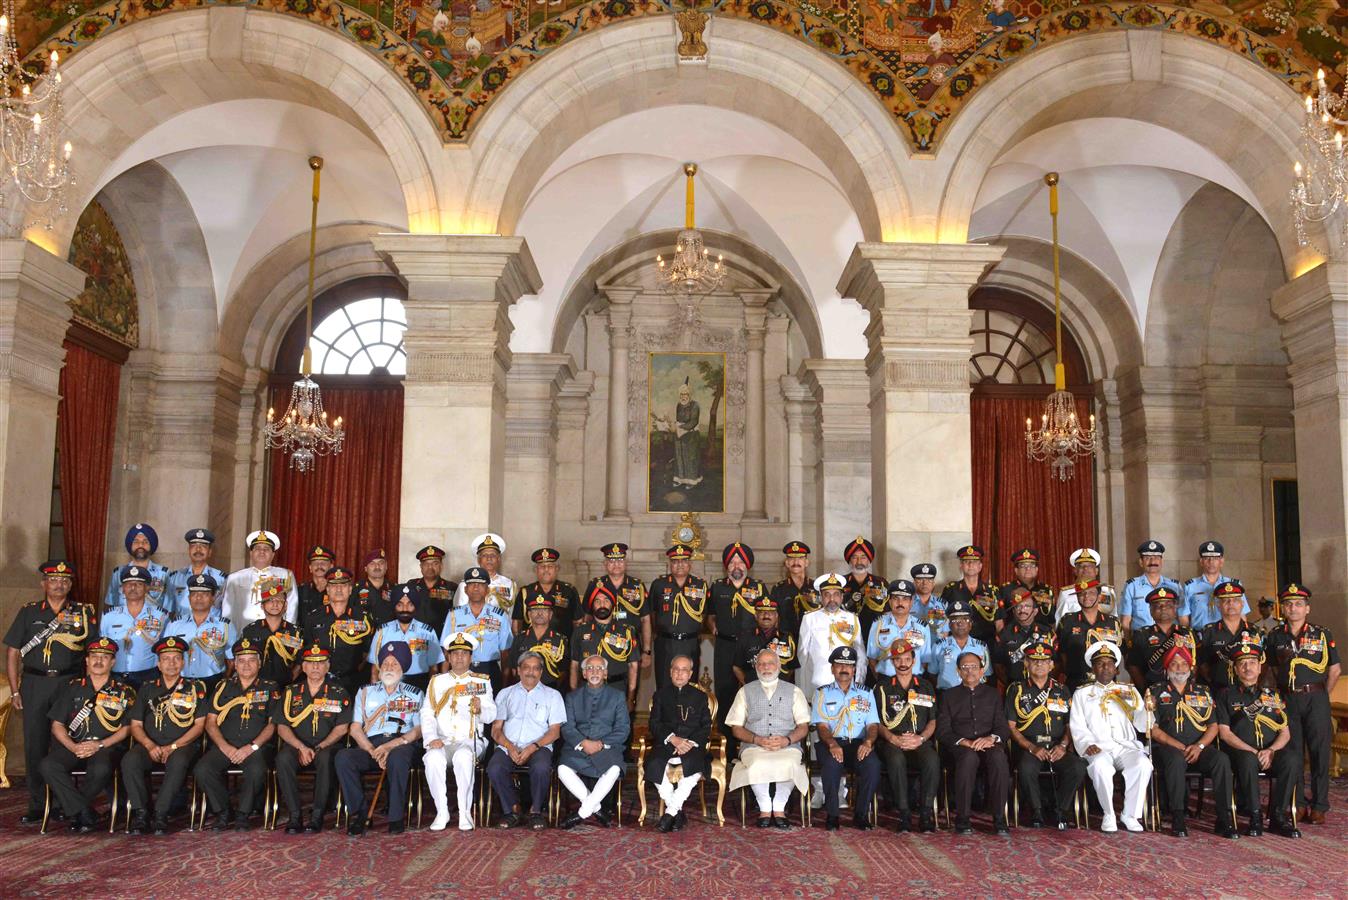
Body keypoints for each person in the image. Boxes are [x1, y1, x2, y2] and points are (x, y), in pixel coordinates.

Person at [5, 560, 97, 825]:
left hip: (68, 685)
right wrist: (14, 690)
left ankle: (62, 801)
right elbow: (13, 652)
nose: (59, 584)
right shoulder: (29, 612)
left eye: (65, 580)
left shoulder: (82, 612)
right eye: (54, 580)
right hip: (34, 684)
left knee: (63, 745)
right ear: (43, 583)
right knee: (34, 745)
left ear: (70, 585)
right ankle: (38, 803)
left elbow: (94, 652)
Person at [38, 637, 134, 833]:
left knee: (101, 768)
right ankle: (83, 811)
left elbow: (127, 728)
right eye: (94, 657)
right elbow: (57, 724)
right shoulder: (72, 686)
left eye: (105, 657)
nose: (99, 661)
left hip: (105, 747)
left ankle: (75, 810)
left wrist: (100, 745)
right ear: (87, 661)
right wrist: (73, 747)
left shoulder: (125, 691)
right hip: (74, 745)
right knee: (48, 765)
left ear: (113, 662)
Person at [1262, 583, 1339, 825]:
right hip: (1287, 700)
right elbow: (1271, 670)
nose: (1293, 608)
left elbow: (1334, 670)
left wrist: (1320, 694)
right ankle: (1299, 803)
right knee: (1292, 752)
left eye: (1298, 604)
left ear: (1307, 608)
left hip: (1316, 698)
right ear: (1282, 608)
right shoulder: (1275, 636)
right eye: (1288, 604)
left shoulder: (1322, 634)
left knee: (1319, 752)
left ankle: (1319, 805)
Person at [1145, 645, 1237, 838]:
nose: (1180, 668)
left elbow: (1213, 725)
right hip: (1168, 747)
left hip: (1199, 748)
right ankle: (1178, 816)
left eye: (1184, 664)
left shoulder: (1202, 692)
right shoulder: (1155, 691)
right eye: (1175, 664)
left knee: (1221, 760)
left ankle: (1224, 817)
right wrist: (1179, 746)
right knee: (1176, 760)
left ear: (1191, 668)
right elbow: (1152, 729)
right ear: (1167, 668)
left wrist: (1200, 746)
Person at [335, 641, 424, 835]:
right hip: (372, 745)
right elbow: (356, 728)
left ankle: (395, 817)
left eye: (394, 664)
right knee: (343, 757)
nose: (389, 668)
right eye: (385, 664)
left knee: (398, 757)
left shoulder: (415, 694)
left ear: (403, 668)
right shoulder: (365, 692)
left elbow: (418, 730)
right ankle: (359, 814)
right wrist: (371, 750)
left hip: (401, 744)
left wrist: (391, 746)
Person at [1216, 635, 1301, 838]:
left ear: (1259, 666)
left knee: (1292, 759)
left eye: (1252, 663)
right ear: (1235, 669)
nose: (1248, 668)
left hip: (1270, 751)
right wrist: (1255, 752)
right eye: (1242, 664)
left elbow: (1285, 732)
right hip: (1242, 753)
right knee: (1247, 760)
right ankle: (1255, 817)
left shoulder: (1273, 696)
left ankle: (1278, 816)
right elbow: (1224, 733)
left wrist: (1271, 750)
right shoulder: (1226, 695)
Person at [193, 637, 280, 831]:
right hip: (226, 744)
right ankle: (223, 811)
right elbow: (211, 722)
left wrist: (251, 747)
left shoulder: (270, 688)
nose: (246, 665)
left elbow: (273, 725)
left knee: (257, 770)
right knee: (203, 769)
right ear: (235, 663)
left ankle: (243, 813)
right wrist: (224, 746)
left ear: (259, 663)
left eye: (251, 660)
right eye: (241, 660)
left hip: (256, 746)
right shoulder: (222, 687)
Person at [121, 635, 206, 834]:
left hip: (182, 746)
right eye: (166, 659)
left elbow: (199, 725)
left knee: (178, 762)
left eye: (176, 658)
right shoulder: (147, 689)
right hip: (149, 745)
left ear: (183, 662)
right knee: (129, 760)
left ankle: (161, 814)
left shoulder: (195, 689)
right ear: (158, 664)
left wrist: (173, 747)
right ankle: (141, 813)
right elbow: (136, 724)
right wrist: (150, 746)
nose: (171, 663)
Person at [1068, 641, 1152, 833]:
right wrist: (1087, 744)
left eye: (1109, 663)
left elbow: (1142, 725)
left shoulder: (1129, 691)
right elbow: (1077, 725)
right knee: (1100, 767)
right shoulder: (1082, 693)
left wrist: (1148, 709)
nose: (1105, 667)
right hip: (1098, 746)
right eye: (1100, 663)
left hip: (1125, 746)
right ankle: (1109, 814)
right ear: (1093, 668)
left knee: (1143, 764)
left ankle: (1130, 815)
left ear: (1116, 669)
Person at [1005, 635, 1085, 830]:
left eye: (1044, 662)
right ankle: (1036, 811)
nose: (1039, 665)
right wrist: (1032, 747)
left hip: (1058, 744)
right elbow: (1011, 726)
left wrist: (1064, 746)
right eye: (1034, 661)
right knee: (1026, 768)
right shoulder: (1016, 690)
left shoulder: (1062, 690)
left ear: (1051, 665)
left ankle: (1061, 810)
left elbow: (1069, 725)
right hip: (1029, 745)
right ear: (1026, 663)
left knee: (1078, 767)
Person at [725, 648, 811, 828]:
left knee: (789, 763)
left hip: (787, 746)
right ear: (756, 667)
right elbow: (736, 728)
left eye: (770, 663)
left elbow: (803, 727)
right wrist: (757, 740)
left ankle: (779, 807)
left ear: (779, 666)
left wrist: (787, 740)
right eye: (761, 664)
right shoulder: (745, 691)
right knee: (756, 763)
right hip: (754, 746)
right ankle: (765, 808)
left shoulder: (794, 691)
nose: (766, 667)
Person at [275, 642, 352, 834]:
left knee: (326, 759)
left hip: (327, 745)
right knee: (282, 759)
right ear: (303, 667)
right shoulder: (291, 693)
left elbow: (342, 728)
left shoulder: (338, 692)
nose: (315, 667)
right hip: (297, 745)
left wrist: (320, 746)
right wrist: (301, 747)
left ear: (328, 666)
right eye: (310, 662)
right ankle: (295, 816)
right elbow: (282, 727)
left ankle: (317, 816)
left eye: (320, 662)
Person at [422, 632, 494, 831]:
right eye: (455, 653)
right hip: (443, 739)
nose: (459, 657)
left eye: (464, 653)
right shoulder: (437, 682)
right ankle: (442, 811)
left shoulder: (482, 682)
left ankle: (464, 812)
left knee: (463, 757)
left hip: (469, 740)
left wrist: (480, 708)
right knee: (432, 759)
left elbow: (491, 716)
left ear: (471, 657)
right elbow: (427, 713)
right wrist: (431, 738)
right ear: (448, 656)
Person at [487, 651, 565, 830]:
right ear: (518, 670)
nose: (531, 672)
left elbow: (555, 732)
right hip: (509, 745)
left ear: (541, 672)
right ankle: (512, 809)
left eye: (536, 668)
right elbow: (496, 730)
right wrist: (509, 747)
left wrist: (532, 747)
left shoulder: (553, 695)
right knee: (495, 767)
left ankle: (536, 811)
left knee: (541, 767)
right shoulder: (505, 694)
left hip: (539, 746)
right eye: (527, 668)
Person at [937, 649, 1011, 835]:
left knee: (998, 758)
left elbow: (1002, 727)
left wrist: (990, 739)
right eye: (965, 667)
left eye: (974, 667)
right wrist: (965, 742)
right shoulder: (948, 696)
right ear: (958, 672)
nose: (970, 671)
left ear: (982, 670)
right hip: (961, 747)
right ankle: (962, 818)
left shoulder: (993, 694)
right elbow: (943, 731)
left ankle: (999, 818)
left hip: (989, 744)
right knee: (968, 758)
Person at [873, 639, 939, 832]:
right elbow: (876, 721)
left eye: (907, 659)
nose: (903, 663)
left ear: (914, 660)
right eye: (898, 659)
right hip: (893, 740)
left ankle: (926, 814)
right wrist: (893, 739)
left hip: (919, 739)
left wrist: (921, 738)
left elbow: (933, 720)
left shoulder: (925, 686)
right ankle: (904, 814)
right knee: (895, 760)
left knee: (932, 760)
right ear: (892, 662)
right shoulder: (883, 688)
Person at [812, 646, 881, 831]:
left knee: (873, 766)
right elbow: (822, 726)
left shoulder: (866, 693)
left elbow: (873, 725)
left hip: (859, 743)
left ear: (854, 670)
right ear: (832, 669)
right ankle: (833, 815)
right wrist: (832, 744)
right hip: (831, 743)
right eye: (839, 665)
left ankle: (860, 814)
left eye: (849, 665)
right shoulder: (822, 693)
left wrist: (868, 742)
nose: (844, 669)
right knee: (831, 766)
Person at [558, 653, 630, 828]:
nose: (594, 671)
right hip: (578, 748)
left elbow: (623, 728)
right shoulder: (572, 697)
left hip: (607, 748)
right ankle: (596, 808)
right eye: (590, 668)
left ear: (605, 674)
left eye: (599, 668)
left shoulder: (617, 696)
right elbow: (567, 727)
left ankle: (582, 813)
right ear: (584, 674)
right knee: (562, 769)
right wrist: (583, 742)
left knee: (614, 769)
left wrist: (600, 744)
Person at [646, 654, 712, 832]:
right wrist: (673, 739)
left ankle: (670, 813)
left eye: (684, 670)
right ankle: (676, 813)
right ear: (670, 672)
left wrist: (688, 743)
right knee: (654, 764)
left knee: (694, 768)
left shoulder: (700, 697)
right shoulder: (660, 695)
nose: (680, 674)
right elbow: (654, 724)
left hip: (691, 746)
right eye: (676, 669)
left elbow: (706, 726)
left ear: (690, 674)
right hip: (666, 744)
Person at [302, 566, 375, 698]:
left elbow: (368, 650)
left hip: (353, 681)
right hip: (321, 681)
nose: (339, 589)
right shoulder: (313, 617)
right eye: (334, 586)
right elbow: (307, 649)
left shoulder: (362, 617)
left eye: (343, 585)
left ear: (350, 589)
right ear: (328, 590)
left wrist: (357, 669)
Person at [709, 542, 765, 714]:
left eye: (740, 562)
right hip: (725, 646)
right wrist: (712, 626)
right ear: (726, 565)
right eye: (732, 562)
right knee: (724, 689)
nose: (736, 566)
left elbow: (769, 615)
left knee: (753, 687)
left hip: (750, 646)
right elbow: (710, 614)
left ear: (747, 565)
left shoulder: (759, 587)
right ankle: (727, 736)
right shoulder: (718, 587)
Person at [569, 583, 640, 711]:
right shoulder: (580, 631)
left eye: (606, 600)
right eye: (597, 601)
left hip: (617, 688)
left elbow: (633, 667)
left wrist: (630, 698)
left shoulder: (627, 632)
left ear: (613, 604)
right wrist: (574, 694)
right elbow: (574, 666)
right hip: (587, 690)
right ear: (592, 605)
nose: (602, 605)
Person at [582, 542, 652, 671]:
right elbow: (587, 617)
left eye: (620, 560)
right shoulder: (595, 585)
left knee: (631, 685)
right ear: (605, 564)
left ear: (626, 563)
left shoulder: (637, 586)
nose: (616, 564)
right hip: (600, 646)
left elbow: (645, 619)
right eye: (612, 561)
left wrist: (647, 651)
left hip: (631, 646)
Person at [162, 573, 235, 696]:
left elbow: (232, 661)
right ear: (189, 598)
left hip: (213, 683)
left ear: (213, 598)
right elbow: (165, 656)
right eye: (194, 594)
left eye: (205, 594)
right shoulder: (174, 625)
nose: (199, 598)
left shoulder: (225, 626)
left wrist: (223, 680)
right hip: (180, 682)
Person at [650, 543, 710, 694]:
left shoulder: (700, 585)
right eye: (675, 561)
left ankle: (687, 717)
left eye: (683, 561)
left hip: (690, 643)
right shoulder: (659, 585)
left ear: (690, 564)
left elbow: (705, 613)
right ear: (670, 564)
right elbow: (651, 613)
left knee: (689, 685)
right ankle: (663, 717)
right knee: (664, 685)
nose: (680, 565)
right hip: (665, 642)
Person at [442, 566, 513, 693]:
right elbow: (446, 651)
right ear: (465, 589)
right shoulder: (453, 615)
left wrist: (505, 685)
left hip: (490, 671)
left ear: (487, 589)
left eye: (480, 584)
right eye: (472, 584)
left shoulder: (500, 616)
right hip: (460, 671)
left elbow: (506, 654)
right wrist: (443, 681)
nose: (476, 588)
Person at [366, 584, 443, 693]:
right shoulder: (382, 631)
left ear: (415, 606)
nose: (405, 609)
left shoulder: (427, 632)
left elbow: (433, 669)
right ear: (394, 606)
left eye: (410, 605)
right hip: (388, 685)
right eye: (400, 605)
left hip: (420, 684)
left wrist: (432, 694)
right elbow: (374, 670)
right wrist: (374, 695)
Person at [798, 573, 866, 696]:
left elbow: (860, 656)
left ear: (842, 597)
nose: (832, 599)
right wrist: (802, 691)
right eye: (827, 595)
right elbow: (802, 657)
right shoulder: (809, 618)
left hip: (845, 684)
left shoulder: (852, 619)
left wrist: (858, 684)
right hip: (816, 684)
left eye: (836, 594)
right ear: (821, 597)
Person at [100, 566, 167, 688]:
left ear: (147, 588)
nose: (133, 588)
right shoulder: (108, 617)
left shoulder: (161, 616)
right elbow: (102, 649)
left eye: (138, 584)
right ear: (122, 589)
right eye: (129, 584)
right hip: (116, 677)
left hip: (148, 677)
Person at [1056, 580, 1124, 689]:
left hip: (1106, 683)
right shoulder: (1067, 621)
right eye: (1082, 593)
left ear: (1099, 596)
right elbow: (1061, 652)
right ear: (1077, 597)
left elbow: (1120, 651)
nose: (1086, 596)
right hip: (1076, 682)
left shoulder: (1112, 622)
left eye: (1091, 593)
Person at [1126, 586, 1196, 691]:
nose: (1163, 609)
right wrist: (1145, 689)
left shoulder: (1188, 634)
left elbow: (1197, 663)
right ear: (1150, 610)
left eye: (1168, 605)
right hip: (1153, 690)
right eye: (1158, 606)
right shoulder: (1141, 635)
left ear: (1175, 608)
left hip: (1184, 690)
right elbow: (1133, 666)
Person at [234, 580, 302, 688]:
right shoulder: (250, 631)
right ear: (262, 605)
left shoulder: (295, 632)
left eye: (279, 600)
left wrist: (289, 682)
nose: (275, 604)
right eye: (270, 600)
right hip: (257, 688)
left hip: (285, 687)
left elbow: (299, 663)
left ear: (285, 605)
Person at [223, 531, 299, 627]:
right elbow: (227, 611)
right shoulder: (235, 578)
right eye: (257, 548)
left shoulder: (286, 575)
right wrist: (228, 636)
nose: (262, 552)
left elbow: (292, 606)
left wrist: (286, 632)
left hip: (275, 634)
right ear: (251, 553)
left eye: (266, 549)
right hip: (243, 634)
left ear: (273, 555)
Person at [1198, 581, 1260, 690]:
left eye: (1235, 600)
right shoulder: (1208, 632)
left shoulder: (1254, 631)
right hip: (1218, 690)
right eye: (1226, 601)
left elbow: (1262, 663)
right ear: (1218, 605)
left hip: (1247, 691)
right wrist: (1212, 682)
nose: (1230, 604)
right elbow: (1202, 664)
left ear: (1242, 604)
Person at [867, 579, 932, 680]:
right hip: (885, 681)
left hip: (914, 682)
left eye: (905, 599)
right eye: (896, 598)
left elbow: (924, 661)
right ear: (889, 601)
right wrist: (881, 681)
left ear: (911, 602)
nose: (900, 602)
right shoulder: (878, 624)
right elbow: (872, 658)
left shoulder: (922, 627)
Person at [510, 548, 581, 637]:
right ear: (536, 569)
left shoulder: (569, 591)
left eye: (550, 566)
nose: (546, 570)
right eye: (542, 566)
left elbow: (578, 622)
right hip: (532, 646)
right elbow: (517, 623)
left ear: (557, 569)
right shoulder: (525, 592)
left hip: (562, 646)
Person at [507, 593, 569, 691]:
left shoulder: (560, 640)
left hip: (551, 689)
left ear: (550, 614)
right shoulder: (520, 638)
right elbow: (514, 670)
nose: (540, 613)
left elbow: (564, 671)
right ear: (529, 614)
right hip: (523, 689)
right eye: (535, 609)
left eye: (544, 610)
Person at [104, 523, 170, 612]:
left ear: (151, 545)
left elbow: (170, 608)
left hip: (152, 623)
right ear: (130, 545)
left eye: (145, 542)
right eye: (136, 541)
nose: (140, 545)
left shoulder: (164, 574)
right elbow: (109, 605)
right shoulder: (118, 573)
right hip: (123, 623)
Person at [1182, 540, 1246, 631]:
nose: (1211, 562)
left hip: (1226, 636)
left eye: (1215, 558)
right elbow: (1184, 617)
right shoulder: (1190, 586)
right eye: (1207, 558)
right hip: (1200, 637)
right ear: (1201, 562)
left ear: (1221, 561)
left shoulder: (1234, 585)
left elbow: (1242, 614)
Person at [1118, 540, 1180, 633]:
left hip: (1170, 640)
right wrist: (1128, 644)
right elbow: (1125, 621)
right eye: (1148, 558)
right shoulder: (1132, 586)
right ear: (1141, 562)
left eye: (1156, 557)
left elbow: (1182, 618)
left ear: (1162, 561)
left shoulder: (1175, 586)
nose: (1152, 561)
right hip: (1141, 639)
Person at [733, 596, 797, 685]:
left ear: (776, 616)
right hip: (753, 691)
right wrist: (748, 687)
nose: (766, 616)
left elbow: (792, 667)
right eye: (762, 612)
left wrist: (782, 684)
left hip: (780, 691)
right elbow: (736, 667)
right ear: (756, 616)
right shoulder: (745, 637)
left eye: (770, 612)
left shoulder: (787, 638)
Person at [994, 587, 1052, 686]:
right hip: (1015, 687)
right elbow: (998, 665)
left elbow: (1057, 663)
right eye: (1018, 606)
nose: (1022, 610)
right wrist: (1010, 685)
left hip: (1042, 688)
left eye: (1027, 606)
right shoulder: (1004, 634)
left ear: (1035, 611)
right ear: (1013, 611)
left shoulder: (1047, 632)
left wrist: (1043, 683)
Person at [164, 529, 226, 618]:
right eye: (193, 545)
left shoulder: (222, 579)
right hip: (182, 629)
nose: (198, 549)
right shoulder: (175, 578)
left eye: (203, 546)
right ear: (188, 550)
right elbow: (168, 611)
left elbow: (226, 612)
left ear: (210, 552)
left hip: (210, 630)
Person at [928, 598, 989, 690]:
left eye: (965, 619)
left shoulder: (981, 647)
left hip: (974, 696)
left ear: (971, 624)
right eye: (955, 620)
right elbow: (932, 674)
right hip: (946, 694)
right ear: (949, 625)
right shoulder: (939, 646)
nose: (960, 624)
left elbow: (987, 674)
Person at [453, 532, 517, 612]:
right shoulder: (465, 584)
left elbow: (512, 614)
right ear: (478, 560)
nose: (489, 558)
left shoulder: (508, 584)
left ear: (499, 559)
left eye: (493, 555)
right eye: (484, 555)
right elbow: (459, 613)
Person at [941, 545, 993, 644]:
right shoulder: (951, 589)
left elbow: (999, 622)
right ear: (961, 566)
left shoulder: (991, 591)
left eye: (974, 562)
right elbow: (943, 617)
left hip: (986, 642)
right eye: (966, 561)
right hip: (957, 642)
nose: (970, 565)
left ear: (980, 566)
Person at [769, 540, 816, 641]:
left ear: (806, 562)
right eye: (792, 558)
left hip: (812, 640)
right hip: (786, 641)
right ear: (787, 563)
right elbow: (774, 619)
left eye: (800, 558)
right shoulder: (778, 589)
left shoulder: (816, 587)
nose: (796, 562)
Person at [996, 548, 1053, 631]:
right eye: (1023, 566)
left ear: (1037, 569)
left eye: (1032, 565)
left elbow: (1051, 619)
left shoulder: (1046, 590)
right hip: (1014, 638)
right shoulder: (1006, 590)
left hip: (1041, 638)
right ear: (1016, 570)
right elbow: (999, 620)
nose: (1028, 569)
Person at [1054, 548, 1118, 622]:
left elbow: (1114, 616)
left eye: (1090, 566)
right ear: (1075, 571)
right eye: (1081, 566)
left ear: (1096, 571)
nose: (1086, 569)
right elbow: (1060, 620)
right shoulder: (1066, 593)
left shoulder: (1107, 591)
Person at [406, 545, 458, 636]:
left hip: (441, 638)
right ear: (421, 566)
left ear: (441, 566)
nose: (430, 568)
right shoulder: (411, 586)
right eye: (426, 564)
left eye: (435, 563)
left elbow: (457, 616)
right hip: (414, 638)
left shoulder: (452, 587)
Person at [842, 536, 887, 637]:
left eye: (863, 557)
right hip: (847, 635)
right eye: (854, 557)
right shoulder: (841, 583)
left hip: (874, 634)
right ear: (849, 560)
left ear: (869, 561)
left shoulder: (881, 583)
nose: (859, 562)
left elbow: (887, 611)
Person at [296, 544, 337, 630]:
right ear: (310, 568)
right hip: (306, 638)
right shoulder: (300, 591)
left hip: (330, 637)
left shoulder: (338, 591)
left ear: (331, 567)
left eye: (323, 563)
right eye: (315, 563)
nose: (319, 566)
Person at [355, 548, 397, 626]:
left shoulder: (396, 589)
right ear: (365, 569)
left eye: (381, 563)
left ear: (386, 567)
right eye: (372, 563)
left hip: (388, 636)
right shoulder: (356, 589)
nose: (377, 566)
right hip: (364, 636)